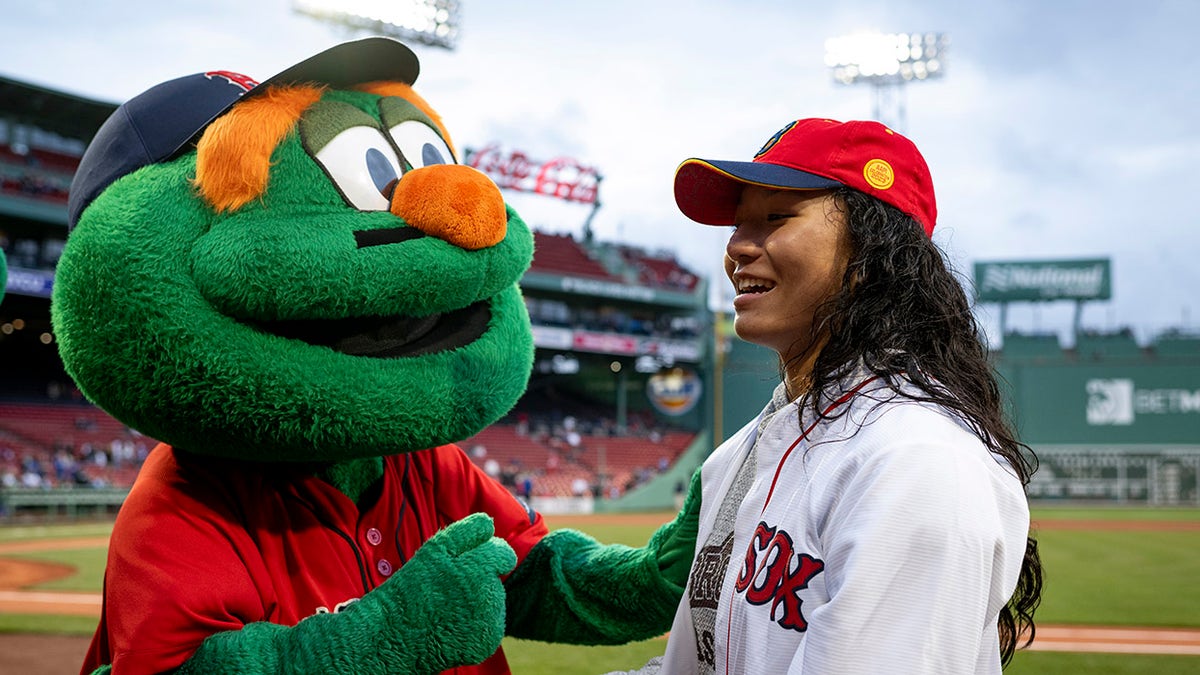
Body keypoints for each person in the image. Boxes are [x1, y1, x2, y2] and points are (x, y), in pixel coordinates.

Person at [619, 118, 1042, 674]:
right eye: (738, 224)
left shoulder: (917, 459)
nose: (737, 246)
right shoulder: (736, 457)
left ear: (873, 252)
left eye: (775, 218)